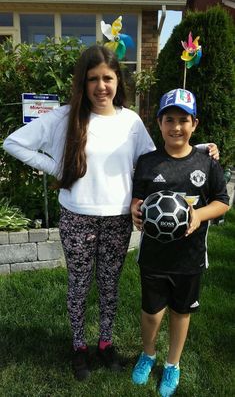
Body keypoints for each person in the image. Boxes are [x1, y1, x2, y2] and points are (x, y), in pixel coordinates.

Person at [3, 46, 219, 382]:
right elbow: (13, 142)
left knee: (109, 286)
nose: (101, 86)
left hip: (118, 219)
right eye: (93, 79)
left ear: (119, 80)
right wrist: (58, 166)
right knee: (78, 285)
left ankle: (105, 344)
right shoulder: (64, 117)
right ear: (83, 83)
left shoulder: (129, 121)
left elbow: (158, 158)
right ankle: (79, 348)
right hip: (77, 216)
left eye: (108, 77)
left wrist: (201, 148)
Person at [131, 88, 229, 396]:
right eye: (169, 119)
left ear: (194, 124)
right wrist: (136, 210)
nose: (176, 127)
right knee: (151, 312)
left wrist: (199, 215)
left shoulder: (206, 164)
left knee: (181, 312)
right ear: (159, 124)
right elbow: (137, 199)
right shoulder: (148, 163)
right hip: (154, 257)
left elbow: (223, 202)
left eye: (183, 120)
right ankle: (148, 355)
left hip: (189, 257)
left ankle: (172, 364)